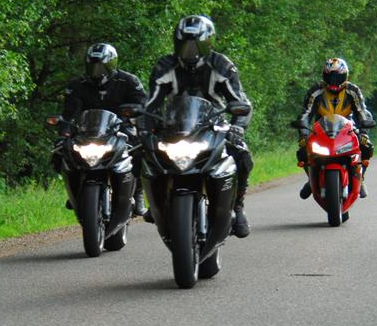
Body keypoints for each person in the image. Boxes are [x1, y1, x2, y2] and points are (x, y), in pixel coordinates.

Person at [144, 15, 254, 238]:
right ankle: (156, 202)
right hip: (173, 127)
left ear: (208, 43)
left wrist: (238, 126)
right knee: (143, 154)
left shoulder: (222, 65)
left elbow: (240, 100)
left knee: (242, 155)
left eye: (195, 45)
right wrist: (144, 128)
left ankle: (237, 207)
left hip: (214, 125)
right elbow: (151, 103)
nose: (190, 51)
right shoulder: (165, 66)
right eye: (185, 44)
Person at [59, 43, 149, 216]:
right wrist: (65, 131)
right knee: (62, 151)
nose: (97, 71)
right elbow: (69, 112)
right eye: (93, 66)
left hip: (121, 129)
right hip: (87, 131)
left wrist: (136, 118)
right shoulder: (77, 85)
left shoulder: (129, 81)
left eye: (101, 66)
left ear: (111, 64)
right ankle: (75, 191)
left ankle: (137, 193)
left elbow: (142, 105)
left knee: (141, 151)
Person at [296, 57, 375, 199]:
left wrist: (364, 132)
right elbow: (306, 113)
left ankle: (360, 177)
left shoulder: (353, 90)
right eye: (330, 77)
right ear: (324, 77)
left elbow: (362, 111)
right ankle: (311, 179)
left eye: (338, 77)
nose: (334, 81)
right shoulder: (316, 90)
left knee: (367, 147)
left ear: (345, 76)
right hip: (321, 129)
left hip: (348, 128)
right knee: (302, 151)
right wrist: (303, 134)